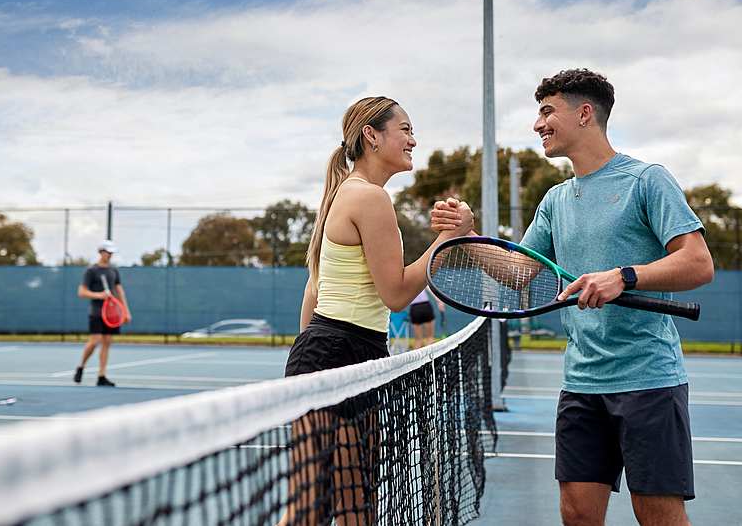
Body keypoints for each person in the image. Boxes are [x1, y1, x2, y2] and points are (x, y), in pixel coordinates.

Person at [433, 69, 713, 526]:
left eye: (547, 112)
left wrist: (624, 276)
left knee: (657, 515)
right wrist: (467, 236)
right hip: (582, 382)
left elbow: (698, 262)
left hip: (648, 380)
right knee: (577, 513)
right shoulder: (555, 200)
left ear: (585, 114)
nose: (538, 124)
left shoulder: (647, 181)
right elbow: (518, 272)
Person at [279, 96, 473, 526]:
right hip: (340, 353)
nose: (413, 139)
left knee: (319, 509)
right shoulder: (369, 198)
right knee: (338, 510)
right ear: (372, 135)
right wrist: (448, 239)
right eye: (405, 129)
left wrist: (309, 358)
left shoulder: (346, 194)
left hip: (335, 353)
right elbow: (397, 294)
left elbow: (314, 291)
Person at [74, 240, 132, 387]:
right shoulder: (91, 270)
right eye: (107, 252)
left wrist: (125, 311)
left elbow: (119, 290)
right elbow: (81, 292)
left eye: (112, 252)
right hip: (96, 312)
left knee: (107, 342)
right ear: (101, 252)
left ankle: (102, 376)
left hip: (112, 314)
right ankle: (81, 367)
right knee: (95, 341)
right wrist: (99, 295)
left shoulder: (114, 270)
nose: (110, 255)